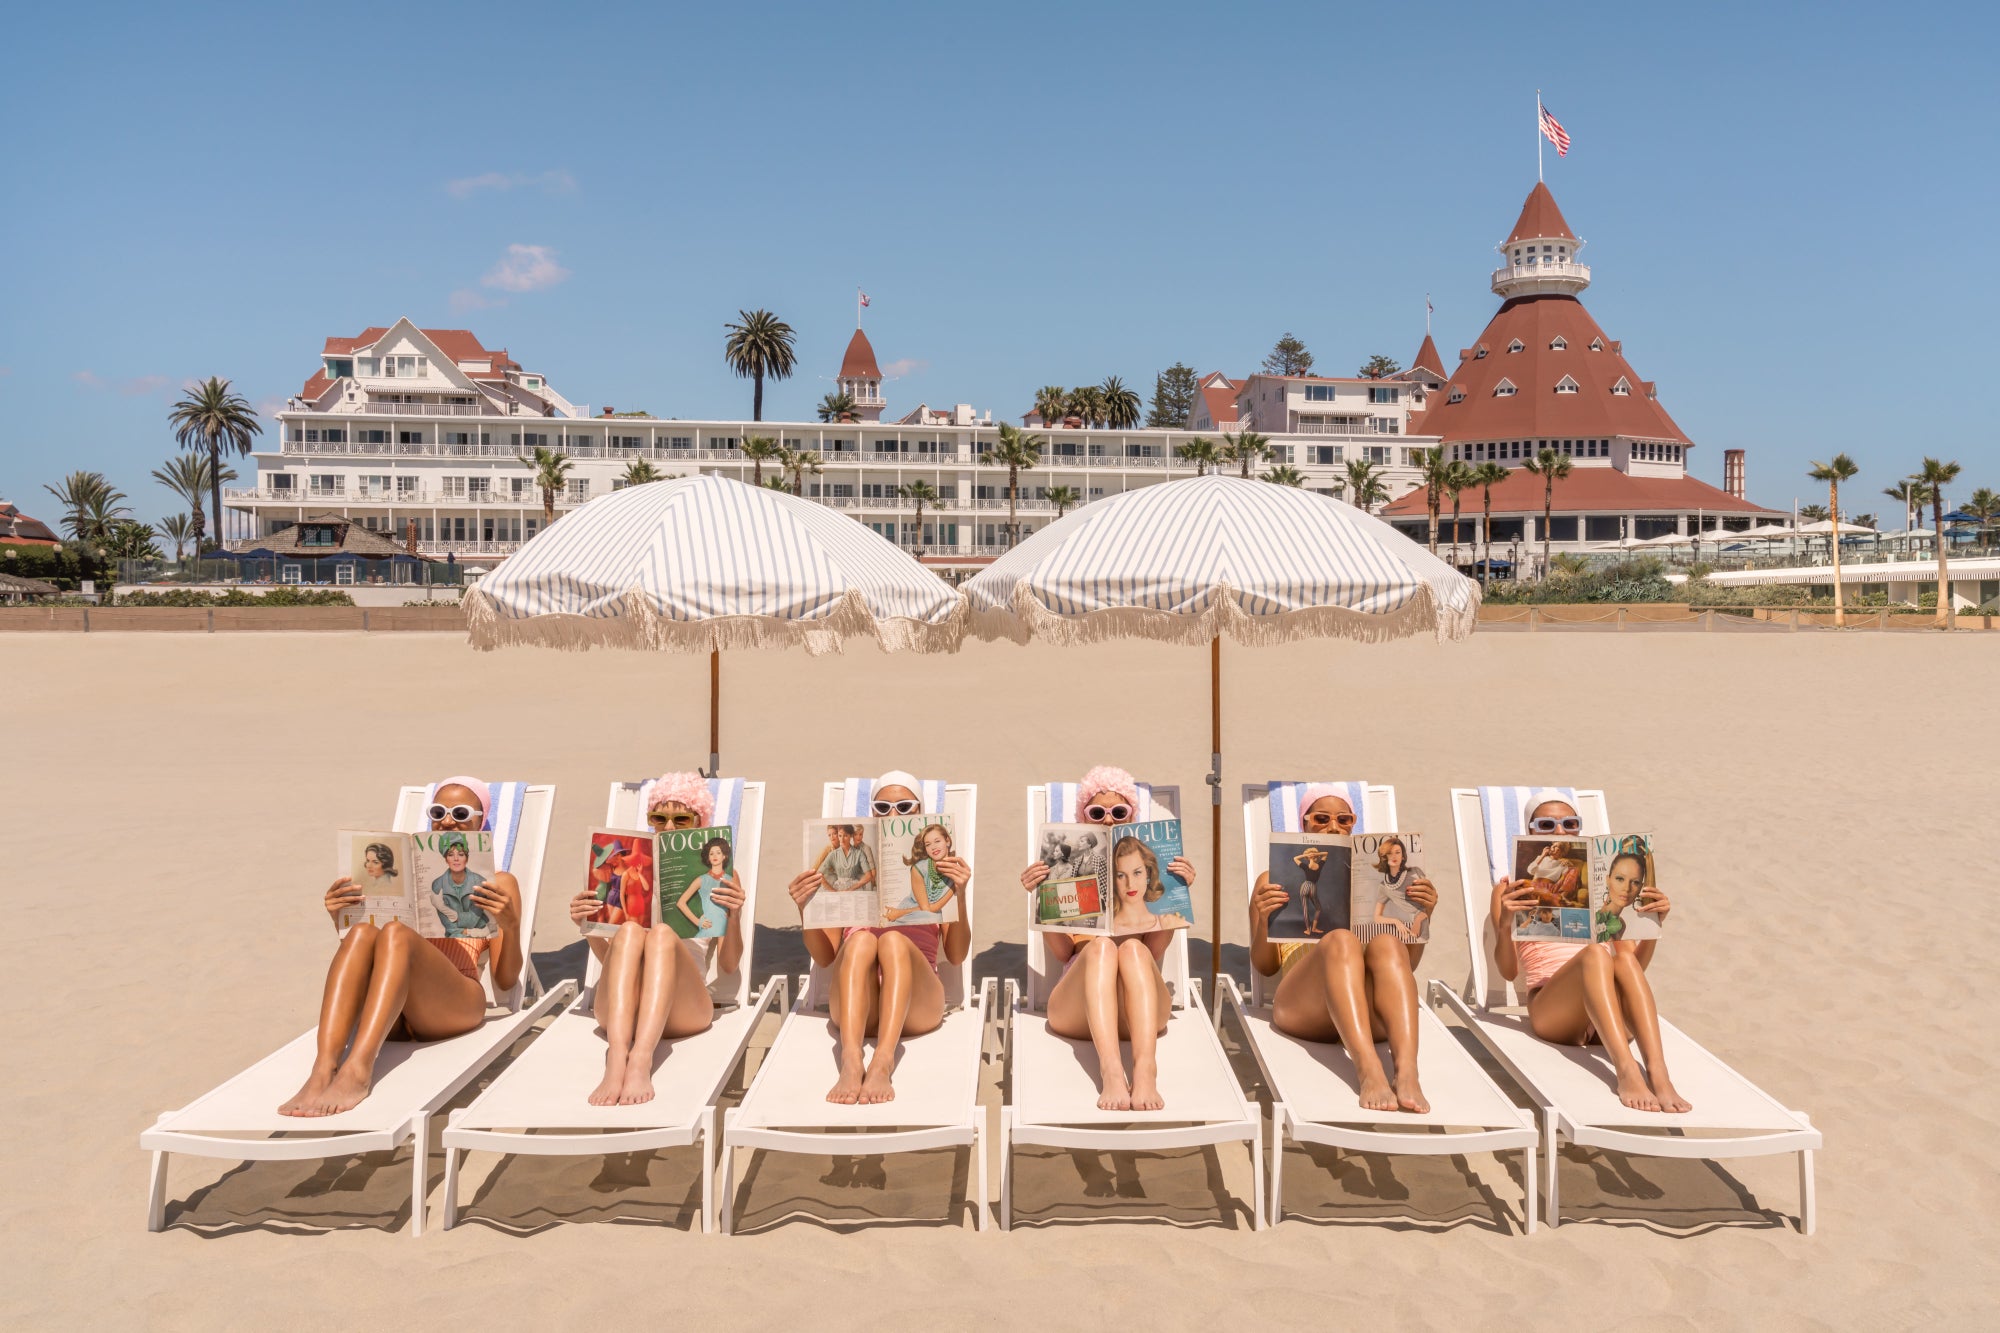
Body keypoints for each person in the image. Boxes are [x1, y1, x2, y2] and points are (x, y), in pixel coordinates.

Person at [283, 778, 523, 1117]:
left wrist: (509, 925)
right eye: (438, 811)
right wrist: (340, 916)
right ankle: (323, 1069)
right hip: (397, 1008)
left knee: (395, 932)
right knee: (363, 934)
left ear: (482, 821)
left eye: (461, 812)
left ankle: (357, 1069)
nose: (447, 820)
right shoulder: (412, 873)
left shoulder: (499, 882)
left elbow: (506, 980)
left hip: (457, 1002)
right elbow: (364, 953)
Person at [1490, 796, 1687, 1113]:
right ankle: (1626, 1070)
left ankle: (1659, 1074)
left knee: (1619, 957)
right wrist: (1503, 923)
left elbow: (1633, 968)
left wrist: (1652, 927)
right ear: (1530, 831)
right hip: (1554, 1010)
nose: (1560, 831)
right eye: (1546, 825)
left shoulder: (1605, 887)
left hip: (1608, 1014)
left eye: (1570, 824)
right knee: (1597, 953)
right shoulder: (1510, 888)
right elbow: (1509, 972)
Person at [1248, 786, 1435, 1114]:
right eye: (1321, 819)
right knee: (1341, 939)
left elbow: (1408, 966)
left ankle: (1407, 1072)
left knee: (1388, 942)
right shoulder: (1273, 878)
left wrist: (1422, 915)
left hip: (1368, 1012)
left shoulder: (1380, 881)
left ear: (1353, 824)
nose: (1333, 827)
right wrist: (1264, 921)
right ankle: (1369, 1069)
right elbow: (1265, 967)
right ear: (1304, 824)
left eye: (1343, 819)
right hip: (1305, 1008)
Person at [1020, 766, 1197, 1112]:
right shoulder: (1072, 868)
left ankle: (1145, 1069)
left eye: (1119, 812)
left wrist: (1175, 896)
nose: (1108, 820)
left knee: (1133, 948)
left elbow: (1155, 952)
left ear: (1131, 816)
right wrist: (1043, 896)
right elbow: (1061, 953)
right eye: (1097, 813)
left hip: (1139, 1009)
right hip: (1077, 1010)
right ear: (1083, 818)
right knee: (1101, 946)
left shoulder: (1141, 874)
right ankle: (1112, 1070)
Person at [788, 772, 971, 1105]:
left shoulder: (940, 867)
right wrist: (806, 910)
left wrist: (959, 895)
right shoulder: (853, 863)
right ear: (871, 814)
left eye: (904, 807)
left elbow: (956, 955)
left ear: (919, 812)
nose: (893, 814)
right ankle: (851, 1058)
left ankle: (883, 1061)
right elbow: (826, 957)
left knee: (893, 941)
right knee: (860, 941)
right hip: (857, 1006)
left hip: (917, 1006)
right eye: (882, 807)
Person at [567, 773, 745, 1106]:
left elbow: (729, 965)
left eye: (682, 818)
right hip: (621, 1011)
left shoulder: (721, 876)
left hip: (684, 1009)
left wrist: (733, 917)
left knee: (661, 933)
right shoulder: (629, 872)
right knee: (632, 930)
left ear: (699, 822)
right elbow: (615, 965)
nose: (669, 827)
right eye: (659, 818)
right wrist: (587, 925)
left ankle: (641, 1059)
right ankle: (617, 1056)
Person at [1108, 836, 1190, 934]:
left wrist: (1184, 884)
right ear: (1113, 879)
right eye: (1121, 875)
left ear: (1147, 872)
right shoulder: (1107, 928)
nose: (1130, 884)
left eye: (1137, 873)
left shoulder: (1168, 923)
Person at [884, 823, 958, 924]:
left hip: (930, 916)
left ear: (947, 841)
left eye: (937, 841)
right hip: (910, 913)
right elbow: (925, 908)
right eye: (928, 844)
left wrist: (899, 913)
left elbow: (934, 908)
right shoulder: (918, 868)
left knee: (934, 918)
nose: (933, 847)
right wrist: (900, 913)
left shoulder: (956, 874)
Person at [1367, 835, 1433, 943]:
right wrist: (1395, 921)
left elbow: (1428, 903)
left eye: (1397, 852)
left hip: (1422, 922)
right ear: (1384, 857)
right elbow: (1377, 917)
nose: (1394, 856)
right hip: (1405, 928)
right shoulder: (1383, 886)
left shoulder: (1415, 872)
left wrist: (1419, 919)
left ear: (1403, 856)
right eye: (1390, 853)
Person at [673, 835, 739, 935]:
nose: (715, 856)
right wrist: (698, 922)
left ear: (724, 856)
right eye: (711, 853)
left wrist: (731, 914)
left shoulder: (731, 879)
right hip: (709, 929)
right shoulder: (701, 880)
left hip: (726, 927)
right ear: (708, 857)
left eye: (718, 853)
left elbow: (737, 903)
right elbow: (680, 903)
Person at [428, 833, 490, 937]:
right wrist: (468, 933)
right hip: (455, 936)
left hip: (482, 933)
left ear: (467, 858)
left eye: (461, 854)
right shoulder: (437, 885)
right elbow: (450, 926)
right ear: (446, 859)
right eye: (450, 855)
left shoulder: (480, 882)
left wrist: (443, 908)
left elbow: (472, 920)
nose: (456, 859)